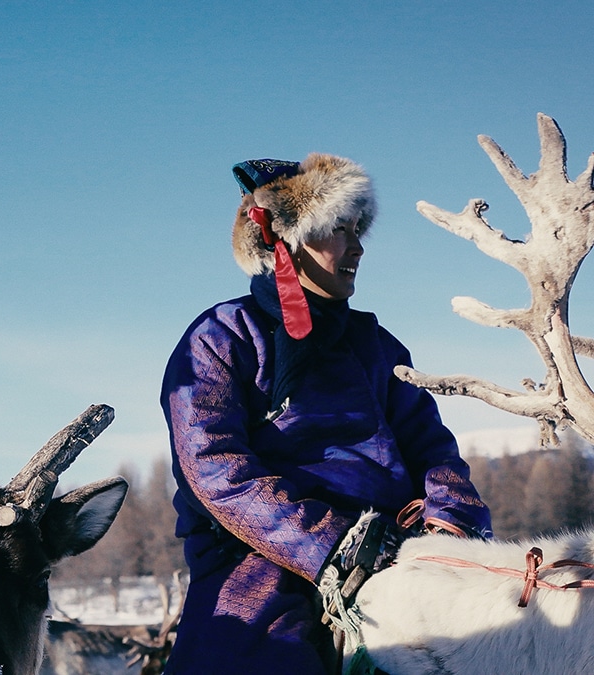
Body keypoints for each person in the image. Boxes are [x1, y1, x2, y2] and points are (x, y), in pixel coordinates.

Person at [159, 154, 493, 674]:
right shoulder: (221, 337)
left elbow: (433, 448)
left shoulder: (377, 346)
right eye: (340, 229)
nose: (358, 246)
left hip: (394, 549)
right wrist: (331, 543)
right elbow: (214, 467)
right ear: (285, 240)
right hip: (261, 560)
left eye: (358, 229)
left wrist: (450, 526)